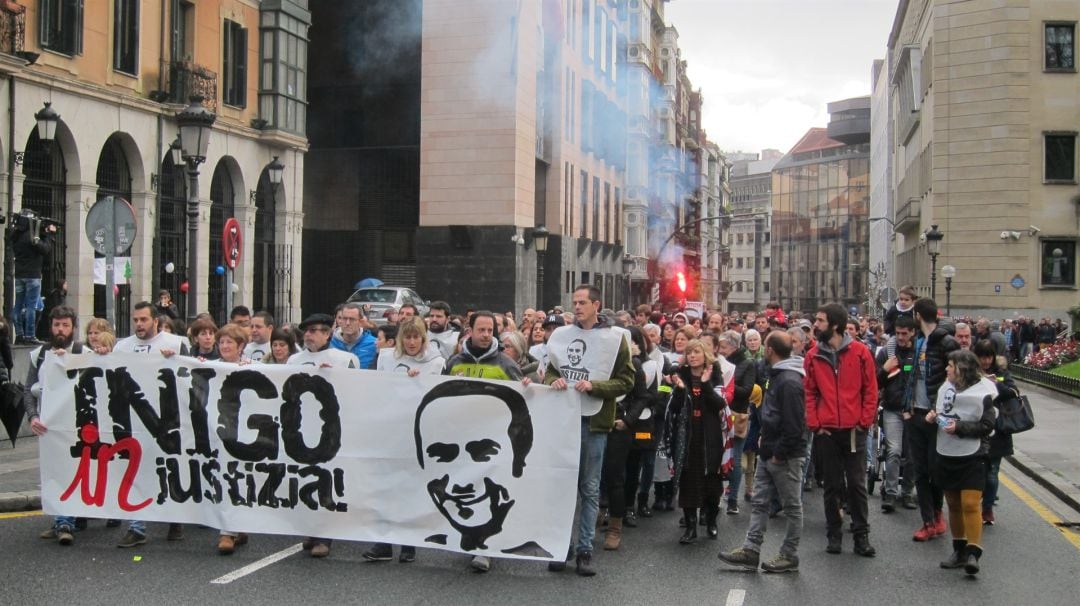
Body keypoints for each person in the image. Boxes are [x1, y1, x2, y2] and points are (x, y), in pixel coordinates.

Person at [545, 285, 635, 577]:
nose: (577, 307)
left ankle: (584, 549)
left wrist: (596, 387)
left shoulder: (616, 338)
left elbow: (626, 381)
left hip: (594, 422)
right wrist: (552, 381)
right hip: (564, 419)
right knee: (563, 486)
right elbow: (550, 370)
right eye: (574, 302)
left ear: (597, 304)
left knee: (590, 488)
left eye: (582, 302)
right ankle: (562, 546)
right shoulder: (561, 335)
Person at [443, 311, 526, 572]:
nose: (486, 334)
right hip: (461, 441)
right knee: (466, 491)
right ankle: (468, 538)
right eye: (481, 330)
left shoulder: (505, 364)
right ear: (470, 330)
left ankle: (485, 549)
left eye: (490, 330)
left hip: (493, 442)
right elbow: (440, 393)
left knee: (489, 492)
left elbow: (521, 399)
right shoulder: (454, 361)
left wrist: (527, 385)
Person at [718, 331, 807, 573]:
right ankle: (751, 549)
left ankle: (789, 555)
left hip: (784, 455)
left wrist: (779, 453)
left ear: (769, 350)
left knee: (791, 506)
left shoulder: (789, 380)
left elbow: (795, 424)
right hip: (768, 449)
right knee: (759, 503)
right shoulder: (778, 375)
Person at [804, 303, 878, 557]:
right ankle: (833, 534)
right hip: (827, 430)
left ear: (834, 325)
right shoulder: (813, 355)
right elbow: (810, 392)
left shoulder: (860, 352)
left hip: (854, 429)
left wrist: (863, 421)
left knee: (857, 484)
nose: (816, 324)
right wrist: (816, 424)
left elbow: (870, 390)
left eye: (821, 320)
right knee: (832, 485)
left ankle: (861, 535)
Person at [926, 350, 996, 576]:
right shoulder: (945, 388)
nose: (946, 369)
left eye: (950, 365)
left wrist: (960, 428)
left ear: (962, 369)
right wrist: (933, 416)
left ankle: (974, 554)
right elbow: (943, 412)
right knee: (953, 503)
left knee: (970, 503)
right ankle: (959, 550)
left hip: (973, 454)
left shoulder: (983, 392)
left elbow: (987, 426)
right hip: (947, 452)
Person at [24, 306, 84, 544]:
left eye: (65, 325)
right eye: (57, 325)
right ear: (51, 326)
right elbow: (29, 388)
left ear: (73, 327)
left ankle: (66, 521)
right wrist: (32, 417)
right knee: (55, 474)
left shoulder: (82, 352)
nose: (60, 330)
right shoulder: (38, 355)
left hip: (77, 427)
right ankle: (63, 521)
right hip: (48, 428)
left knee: (72, 474)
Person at [668, 339, 731, 544]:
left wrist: (705, 384)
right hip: (687, 436)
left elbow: (719, 404)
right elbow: (675, 409)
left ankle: (711, 521)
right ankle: (691, 527)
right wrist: (678, 389)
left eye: (696, 352)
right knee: (688, 482)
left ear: (705, 355)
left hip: (709, 436)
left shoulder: (714, 373)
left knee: (711, 483)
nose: (692, 356)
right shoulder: (682, 375)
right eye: (689, 352)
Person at [599, 326, 654, 550]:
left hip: (619, 427)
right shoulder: (595, 361)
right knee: (590, 478)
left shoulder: (634, 364)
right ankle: (596, 515)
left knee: (615, 477)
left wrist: (628, 420)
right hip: (595, 423)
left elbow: (643, 397)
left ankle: (615, 527)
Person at [909, 298, 960, 542]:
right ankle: (928, 521)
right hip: (915, 413)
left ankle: (938, 517)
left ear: (918, 315)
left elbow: (956, 378)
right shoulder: (918, 342)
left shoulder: (946, 342)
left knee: (934, 470)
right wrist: (906, 405)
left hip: (934, 415)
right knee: (920, 470)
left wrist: (938, 409)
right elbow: (912, 375)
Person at [875, 315, 918, 512]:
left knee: (911, 454)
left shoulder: (919, 352)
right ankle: (891, 493)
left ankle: (907, 492)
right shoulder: (885, 353)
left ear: (912, 333)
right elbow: (875, 382)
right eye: (898, 333)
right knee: (893, 451)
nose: (900, 337)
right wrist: (884, 371)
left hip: (913, 410)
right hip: (892, 409)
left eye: (904, 333)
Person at [973, 339, 1016, 526]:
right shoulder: (970, 373)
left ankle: (988, 507)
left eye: (989, 357)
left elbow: (1013, 391)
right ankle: (976, 503)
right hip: (977, 428)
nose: (985, 361)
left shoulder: (1001, 373)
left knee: (992, 473)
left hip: (998, 430)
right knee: (977, 471)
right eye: (982, 357)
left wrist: (995, 385)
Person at [716, 330, 757, 515]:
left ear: (733, 346)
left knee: (737, 459)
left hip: (737, 414)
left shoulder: (747, 364)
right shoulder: (717, 362)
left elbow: (746, 391)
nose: (721, 350)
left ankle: (732, 499)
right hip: (718, 413)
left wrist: (727, 386)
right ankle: (715, 496)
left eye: (723, 347)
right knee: (716, 456)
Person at [10, 212, 56, 344]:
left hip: (20, 275)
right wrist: (49, 235)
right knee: (31, 306)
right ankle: (30, 335)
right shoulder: (31, 237)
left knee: (18, 305)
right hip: (33, 276)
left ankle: (19, 334)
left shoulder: (16, 236)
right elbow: (45, 249)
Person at [289, 314, 360, 368]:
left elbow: (353, 384)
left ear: (327, 334)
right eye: (305, 331)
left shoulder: (344, 359)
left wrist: (333, 374)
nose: (307, 334)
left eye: (312, 330)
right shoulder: (293, 360)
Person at [330, 303, 377, 368]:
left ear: (360, 322)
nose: (347, 323)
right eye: (344, 318)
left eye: (352, 319)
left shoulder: (374, 344)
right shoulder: (330, 343)